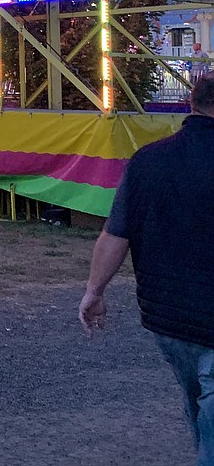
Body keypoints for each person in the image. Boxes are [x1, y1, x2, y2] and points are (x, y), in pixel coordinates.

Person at [79, 76, 214, 464]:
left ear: (190, 103)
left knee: (200, 402)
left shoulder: (147, 161)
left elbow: (115, 234)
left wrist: (94, 291)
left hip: (167, 316)